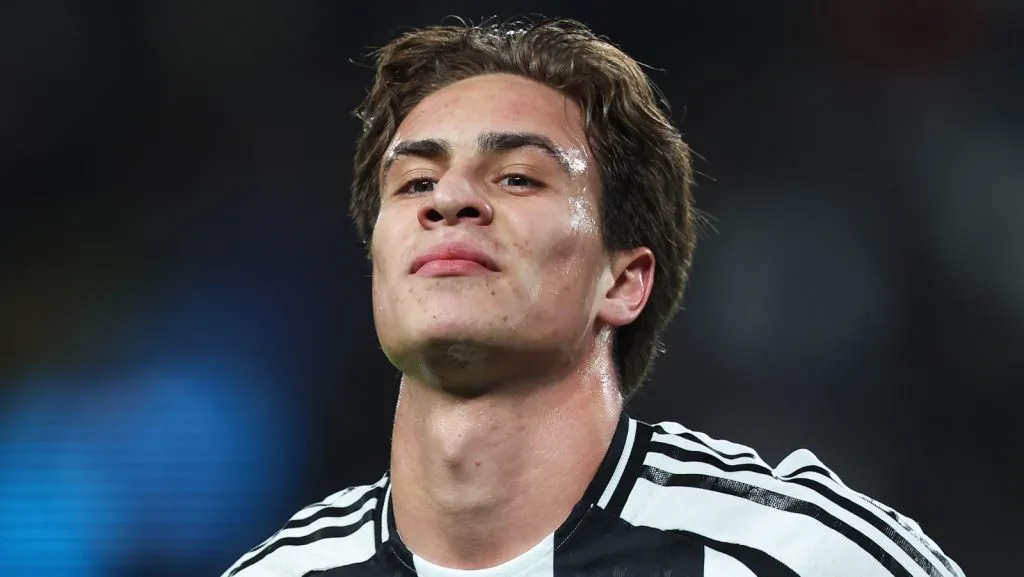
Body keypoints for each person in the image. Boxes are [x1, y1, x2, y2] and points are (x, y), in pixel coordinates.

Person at [222, 17, 966, 577]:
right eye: (415, 181)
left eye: (517, 177)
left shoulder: (801, 557)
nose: (448, 198)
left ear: (624, 281)